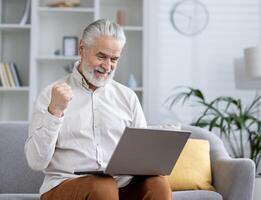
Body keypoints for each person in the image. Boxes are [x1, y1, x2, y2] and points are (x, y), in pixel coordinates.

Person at [25, 19, 172, 200]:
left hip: (119, 187)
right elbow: (36, 161)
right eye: (101, 56)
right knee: (103, 186)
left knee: (158, 184)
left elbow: (142, 157)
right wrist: (54, 112)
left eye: (114, 59)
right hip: (66, 185)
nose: (107, 66)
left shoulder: (127, 97)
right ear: (82, 49)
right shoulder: (51, 95)